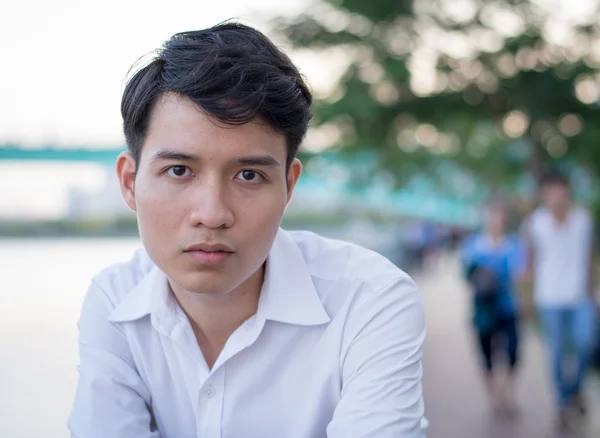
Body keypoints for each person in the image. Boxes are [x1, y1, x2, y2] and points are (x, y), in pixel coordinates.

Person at [67, 22, 427, 437]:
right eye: (179, 170)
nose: (213, 213)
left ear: (289, 185)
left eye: (250, 176)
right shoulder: (115, 301)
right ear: (130, 183)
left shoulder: (369, 300)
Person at [523, 171, 598, 429]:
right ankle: (562, 402)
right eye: (551, 191)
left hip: (579, 296)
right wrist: (527, 298)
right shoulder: (535, 223)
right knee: (555, 354)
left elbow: (589, 258)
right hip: (549, 297)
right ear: (544, 195)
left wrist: (593, 293)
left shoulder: (583, 220)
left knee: (586, 344)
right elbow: (529, 262)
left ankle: (573, 390)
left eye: (561, 190)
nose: (557, 196)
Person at [460, 199, 525, 415]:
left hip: (508, 307)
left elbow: (521, 275)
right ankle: (494, 398)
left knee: (513, 352)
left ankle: (505, 393)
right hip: (484, 310)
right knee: (486, 354)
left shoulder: (513, 245)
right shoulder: (474, 245)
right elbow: (467, 275)